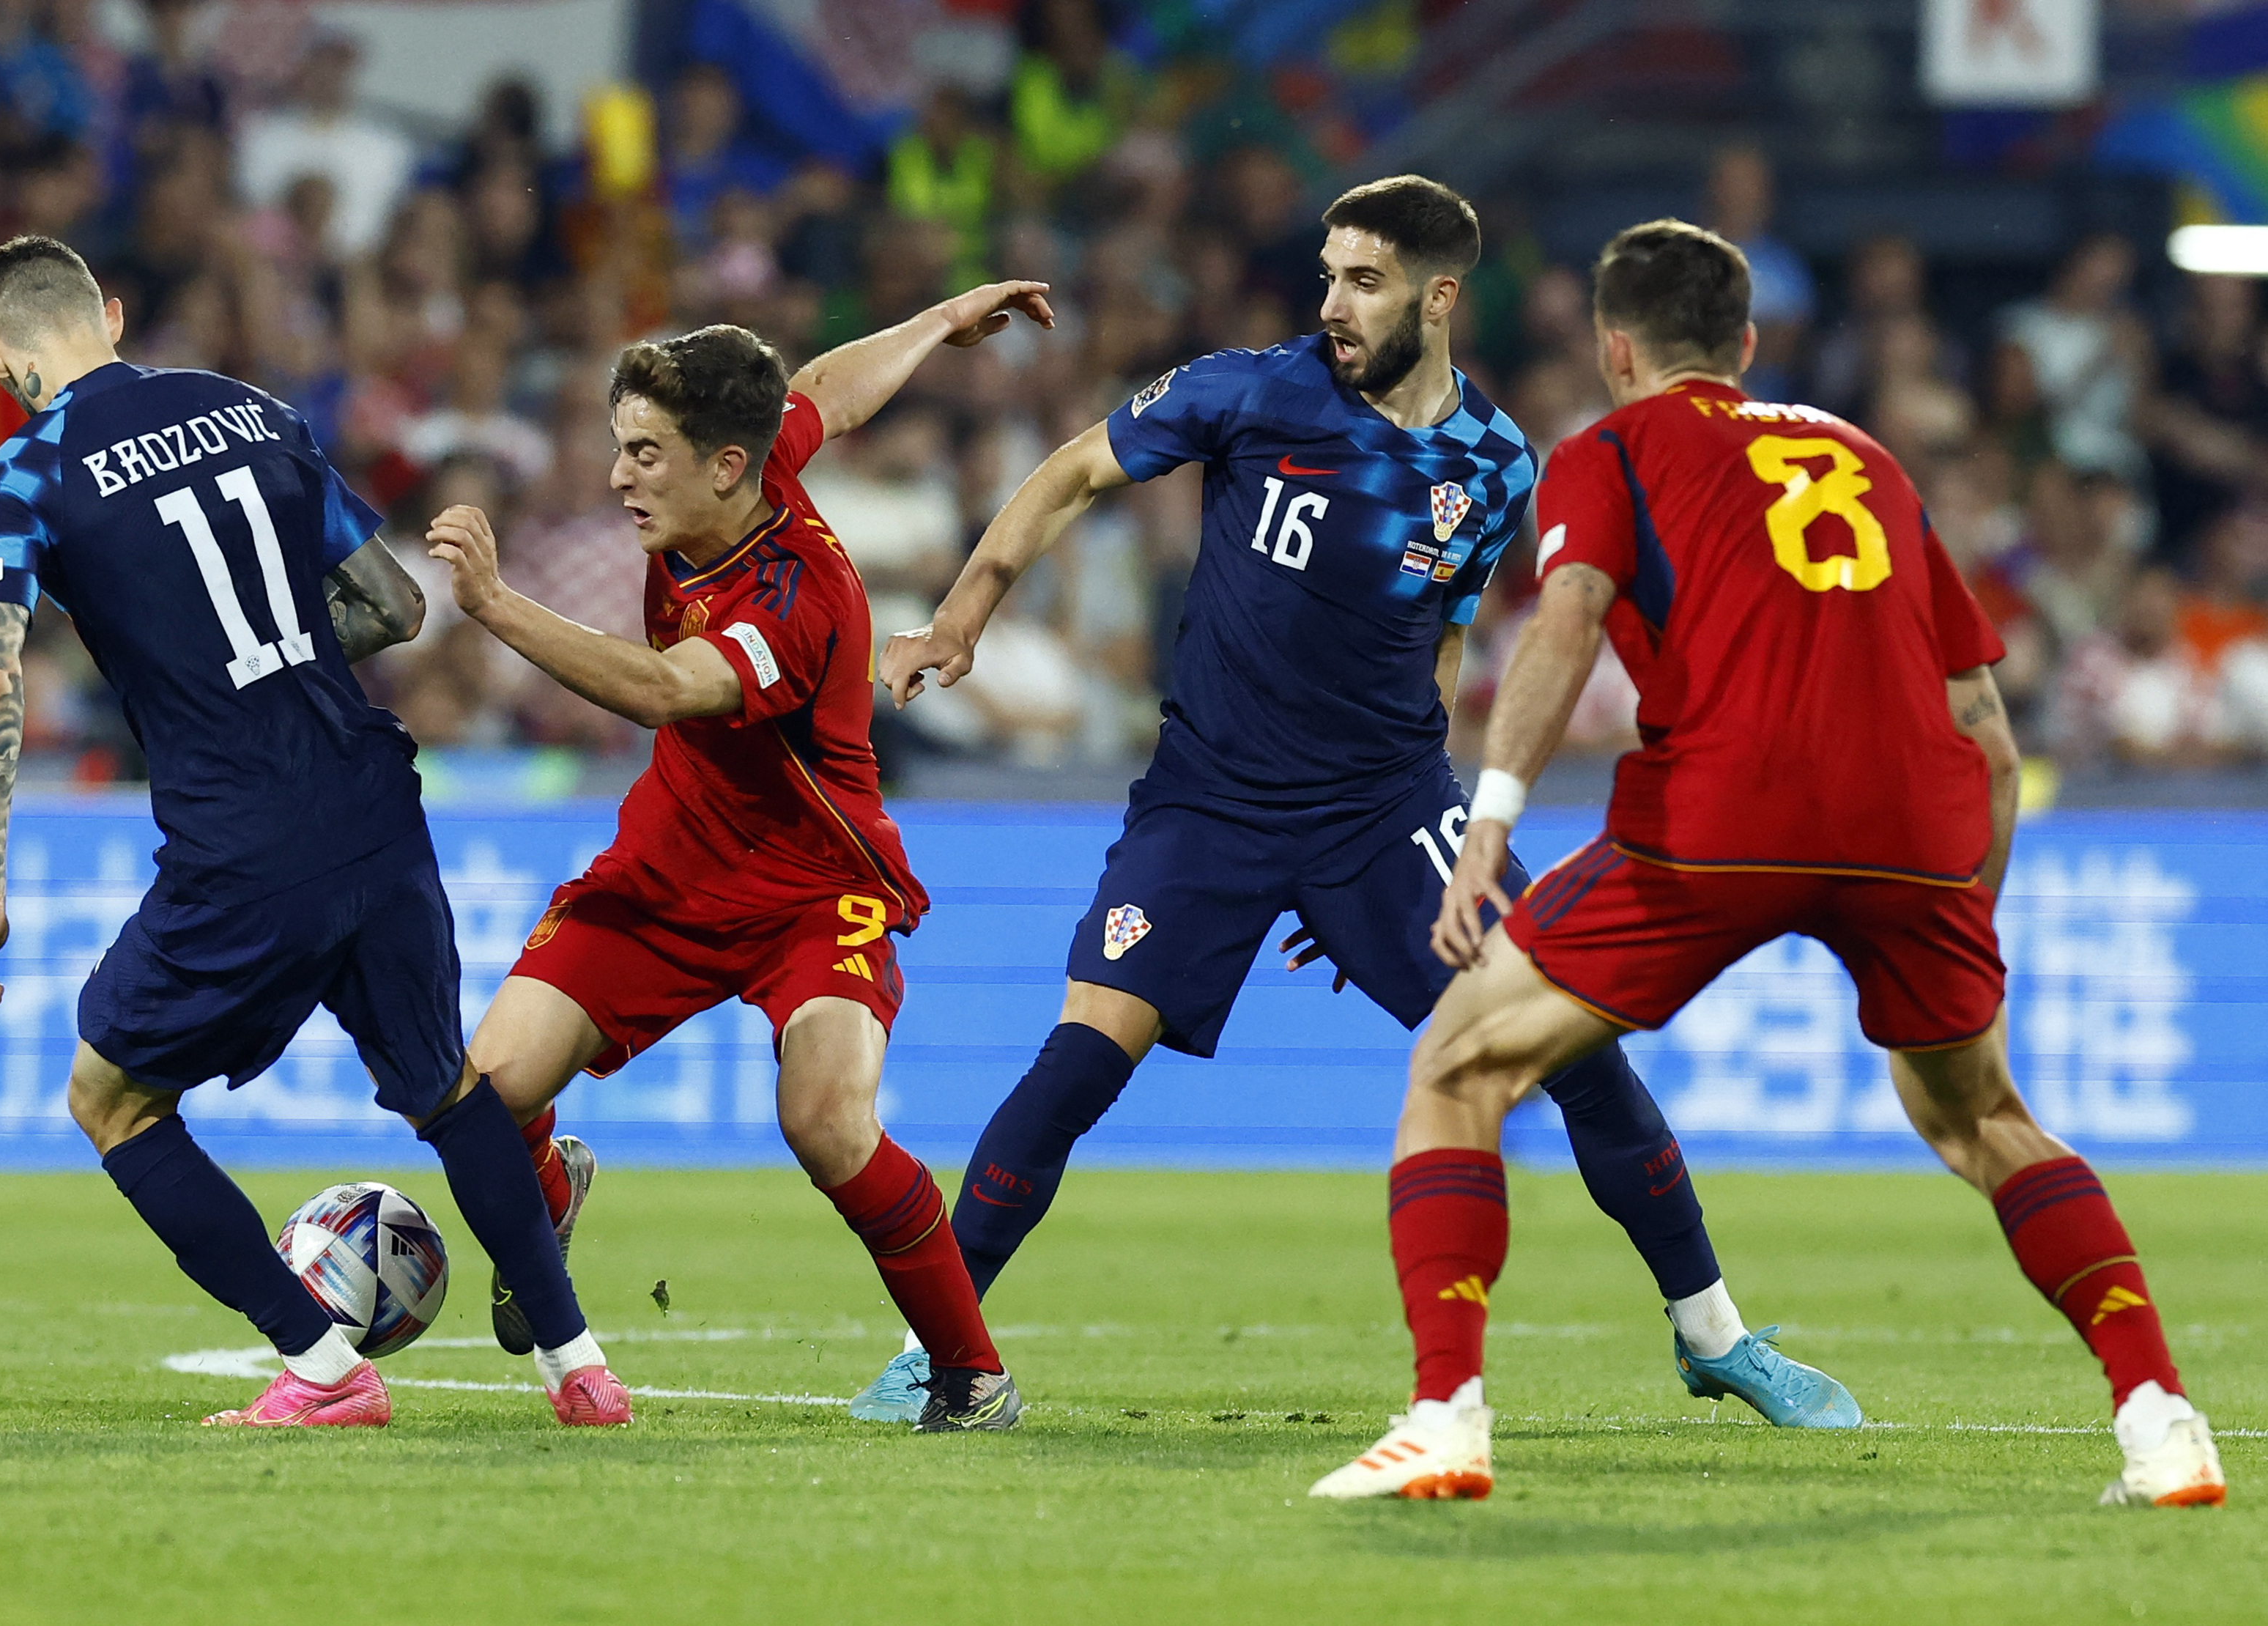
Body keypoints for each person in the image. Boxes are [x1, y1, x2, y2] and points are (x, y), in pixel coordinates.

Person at [870, 176, 1858, 1430]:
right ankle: (938, 1351)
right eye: (1329, 275)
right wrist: (961, 623)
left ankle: (1713, 1336)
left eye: (1364, 281)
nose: (1331, 303)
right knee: (1082, 1056)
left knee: (1577, 1049)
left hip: (1386, 813)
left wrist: (1413, 846)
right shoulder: (1249, 388)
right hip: (1212, 802)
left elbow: (1442, 647)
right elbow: (1069, 477)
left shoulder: (1496, 467)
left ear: (1439, 297)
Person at [1311, 220, 2228, 1509]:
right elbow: (1987, 728)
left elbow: (1567, 622)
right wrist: (1967, 909)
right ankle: (2161, 1419)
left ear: (1613, 347)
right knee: (1986, 1120)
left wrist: (1492, 826)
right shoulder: (1867, 458)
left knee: (1460, 1065)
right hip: (1916, 829)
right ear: (1745, 344)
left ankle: (1446, 1418)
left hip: (1724, 812)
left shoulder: (1611, 448)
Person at [0, 236, 626, 1431]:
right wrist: (274, 659)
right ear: (109, 311)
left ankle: (322, 1366)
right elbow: (397, 604)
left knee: (111, 1101)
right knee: (446, 1085)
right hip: (371, 798)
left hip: (241, 838)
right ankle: (580, 1368)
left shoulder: (22, 472)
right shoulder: (251, 412)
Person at [423, 280, 1061, 1433]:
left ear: (725, 466)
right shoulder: (751, 463)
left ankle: (973, 1376)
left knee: (825, 1122)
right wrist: (930, 325)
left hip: (818, 887)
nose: (620, 478)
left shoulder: (795, 595)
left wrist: (497, 607)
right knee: (490, 1093)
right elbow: (823, 390)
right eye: (619, 448)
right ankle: (550, 1187)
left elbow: (670, 688)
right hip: (670, 866)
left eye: (644, 455)